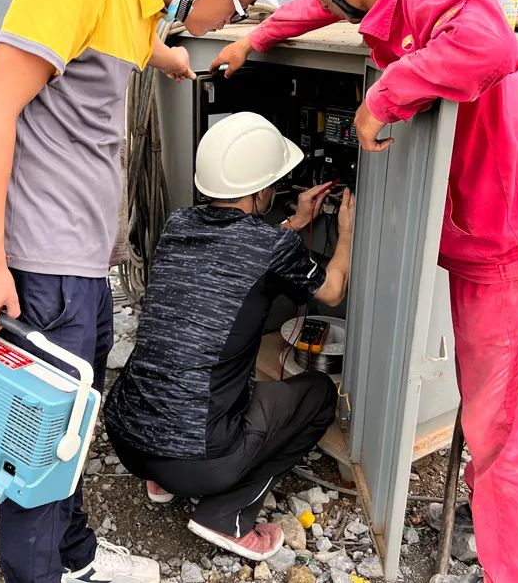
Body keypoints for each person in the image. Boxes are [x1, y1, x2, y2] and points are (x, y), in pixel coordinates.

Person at [0, 0, 301, 583]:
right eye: (239, 1)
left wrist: (165, 58)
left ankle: (75, 557)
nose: (230, 20)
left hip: (83, 267)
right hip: (44, 269)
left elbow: (113, 41)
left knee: (70, 432)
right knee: (36, 447)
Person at [211, 0, 518, 583]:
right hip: (478, 230)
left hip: (507, 238)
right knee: (495, 408)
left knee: (510, 427)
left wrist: (383, 95)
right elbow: (315, 8)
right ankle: (496, 521)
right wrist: (257, 38)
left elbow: (494, 45)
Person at [104, 112, 354, 561]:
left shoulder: (178, 224)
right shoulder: (271, 246)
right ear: (261, 191)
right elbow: (332, 291)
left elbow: (239, 255)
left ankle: (160, 479)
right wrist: (347, 236)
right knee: (318, 393)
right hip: (198, 460)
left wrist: (295, 223)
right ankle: (227, 515)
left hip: (126, 436)